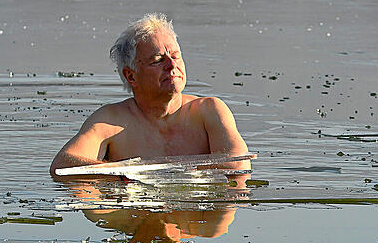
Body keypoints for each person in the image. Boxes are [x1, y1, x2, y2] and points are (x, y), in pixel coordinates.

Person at [50, 13, 249, 176]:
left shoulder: (209, 111)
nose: (172, 66)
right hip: (135, 216)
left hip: (194, 221)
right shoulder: (110, 121)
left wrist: (167, 174)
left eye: (176, 56)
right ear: (131, 76)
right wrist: (122, 171)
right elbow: (62, 165)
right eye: (157, 60)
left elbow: (238, 166)